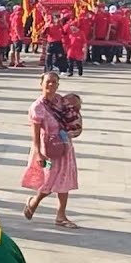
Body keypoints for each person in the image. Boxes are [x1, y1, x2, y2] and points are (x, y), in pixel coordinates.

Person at [20, 71, 80, 229]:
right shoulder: (37, 107)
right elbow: (35, 134)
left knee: (64, 181)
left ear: (58, 84)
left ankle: (61, 215)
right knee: (49, 180)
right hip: (48, 150)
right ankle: (34, 201)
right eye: (48, 82)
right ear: (41, 84)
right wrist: (38, 153)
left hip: (64, 147)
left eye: (54, 82)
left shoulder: (62, 101)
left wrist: (75, 128)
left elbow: (74, 116)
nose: (51, 85)